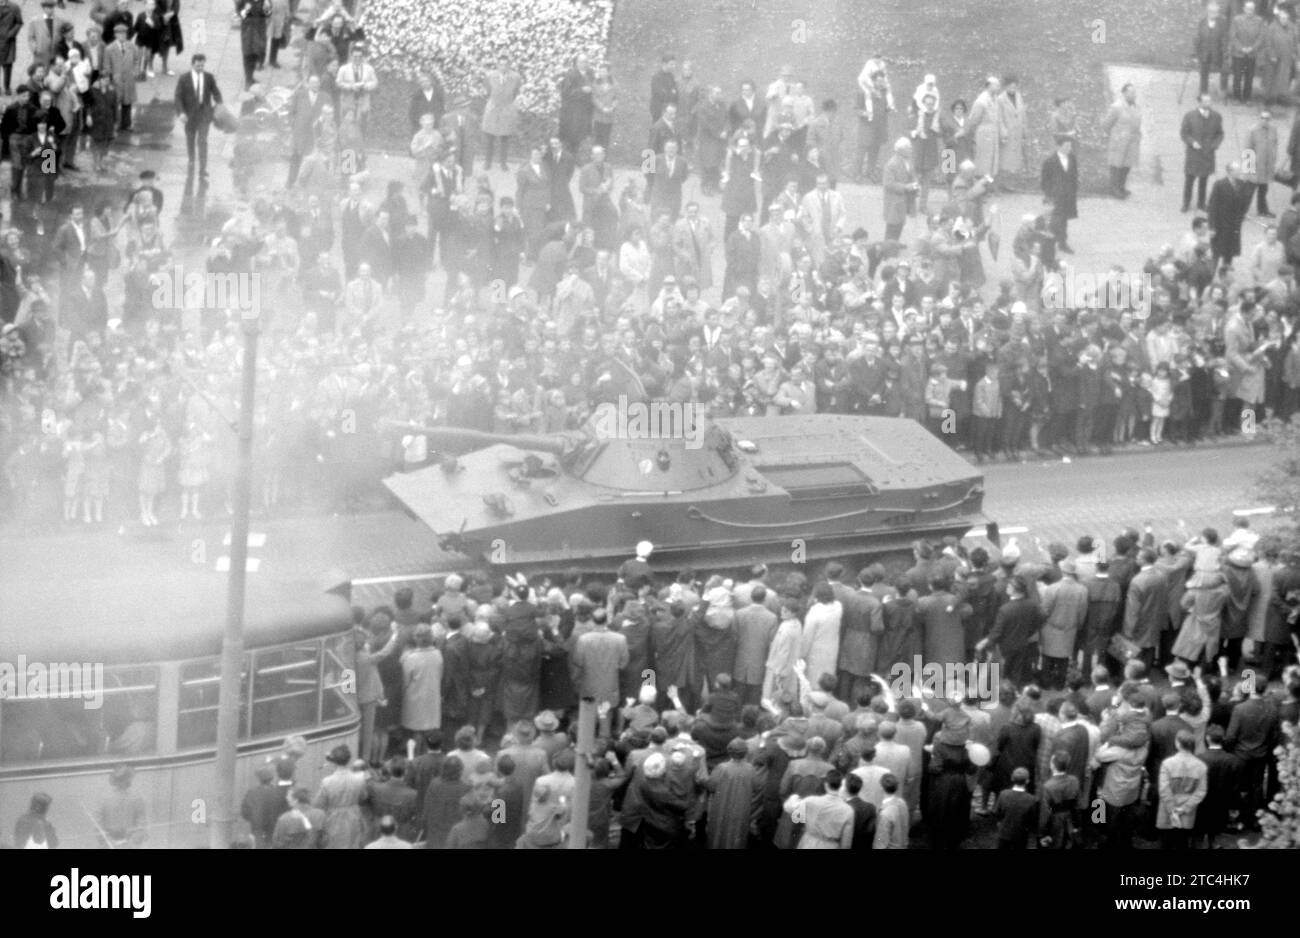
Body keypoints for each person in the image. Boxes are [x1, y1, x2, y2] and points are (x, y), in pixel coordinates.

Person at [1157, 729, 1208, 849]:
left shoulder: (1167, 763)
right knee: (1183, 841)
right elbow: (1201, 791)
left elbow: (1164, 790)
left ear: (1177, 743)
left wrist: (1172, 810)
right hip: (1187, 811)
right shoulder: (1201, 766)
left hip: (1167, 810)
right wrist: (1184, 809)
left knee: (1166, 842)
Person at [173, 53, 221, 181]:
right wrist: (181, 113)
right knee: (190, 138)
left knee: (203, 141)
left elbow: (216, 92)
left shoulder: (209, 77)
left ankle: (203, 168)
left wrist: (219, 104)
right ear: (192, 64)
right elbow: (178, 97)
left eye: (202, 65)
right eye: (198, 65)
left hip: (204, 114)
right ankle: (191, 159)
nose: (200, 68)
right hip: (189, 115)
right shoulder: (184, 78)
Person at [1180, 93, 1224, 213]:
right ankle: (1186, 203)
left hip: (1207, 154)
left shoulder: (1216, 116)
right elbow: (1184, 133)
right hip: (1194, 154)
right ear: (1199, 102)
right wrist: (1192, 142)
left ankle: (1201, 203)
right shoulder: (1190, 116)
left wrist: (1214, 145)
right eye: (1205, 102)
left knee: (1203, 181)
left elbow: (1220, 133)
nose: (1208, 104)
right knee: (1189, 180)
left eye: (1209, 102)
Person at [1101, 83, 1141, 199]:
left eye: (1134, 92)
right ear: (1124, 93)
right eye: (1130, 92)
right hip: (1119, 142)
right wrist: (1115, 136)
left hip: (1132, 141)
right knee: (1116, 165)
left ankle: (1121, 187)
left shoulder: (1136, 106)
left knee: (1127, 165)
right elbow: (1106, 124)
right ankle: (1114, 189)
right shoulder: (1117, 107)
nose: (1134, 95)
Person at [1207, 161, 1248, 272]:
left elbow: (1244, 202)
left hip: (1234, 225)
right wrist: (1212, 227)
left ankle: (1225, 273)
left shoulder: (1241, 184)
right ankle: (1211, 274)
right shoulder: (1219, 185)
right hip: (1221, 225)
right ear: (1229, 172)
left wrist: (1242, 215)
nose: (1239, 172)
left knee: (1229, 252)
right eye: (1236, 170)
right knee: (1216, 252)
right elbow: (1212, 206)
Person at [1041, 135, 1078, 254]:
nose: (1069, 148)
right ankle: (1049, 241)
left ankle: (1062, 243)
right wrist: (1049, 194)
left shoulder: (1072, 158)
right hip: (1056, 195)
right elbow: (1044, 180)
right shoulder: (1050, 161)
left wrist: (1074, 189)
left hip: (1068, 195)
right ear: (1059, 146)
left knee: (1064, 219)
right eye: (1066, 146)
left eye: (1070, 146)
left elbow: (1074, 175)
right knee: (1056, 220)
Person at [1229, 1, 1264, 103]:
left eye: (1252, 9)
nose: (1250, 11)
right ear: (1244, 9)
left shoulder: (1259, 21)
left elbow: (1261, 37)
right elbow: (1232, 36)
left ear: (1254, 10)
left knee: (1249, 77)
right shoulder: (1237, 20)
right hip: (1239, 54)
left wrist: (1252, 48)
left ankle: (1247, 97)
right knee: (1237, 77)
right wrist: (1241, 48)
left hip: (1251, 54)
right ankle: (1236, 97)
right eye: (1248, 9)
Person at [994, 766, 1037, 848]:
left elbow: (997, 813)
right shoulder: (1032, 799)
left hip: (1003, 834)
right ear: (1027, 781)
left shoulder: (1003, 794)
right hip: (1020, 836)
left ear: (1012, 778)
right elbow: (1032, 820)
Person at [1195, 2, 1230, 97]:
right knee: (1204, 73)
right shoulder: (1202, 22)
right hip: (1204, 52)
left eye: (1215, 12)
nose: (1213, 14)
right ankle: (1203, 92)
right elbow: (1198, 38)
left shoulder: (1222, 22)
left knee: (1224, 70)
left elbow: (1224, 38)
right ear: (1207, 12)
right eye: (1211, 12)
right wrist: (1195, 53)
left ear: (1218, 13)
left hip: (1217, 52)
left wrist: (1225, 52)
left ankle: (1223, 89)